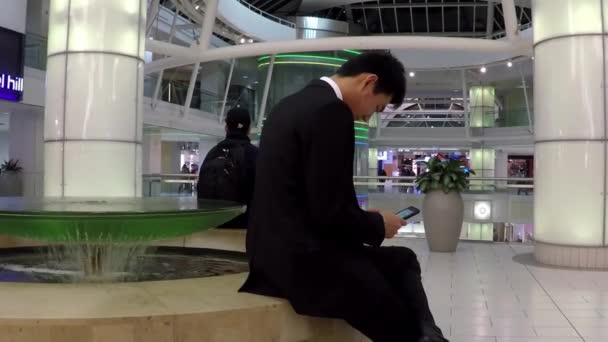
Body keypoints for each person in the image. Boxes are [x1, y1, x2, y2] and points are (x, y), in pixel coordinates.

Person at [240, 52, 447, 342]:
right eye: (376, 107)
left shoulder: (288, 105)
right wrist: (378, 226)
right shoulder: (331, 111)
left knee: (403, 259)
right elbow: (329, 214)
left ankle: (431, 335)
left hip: (272, 254)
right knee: (398, 321)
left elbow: (310, 195)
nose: (367, 116)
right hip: (304, 262)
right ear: (368, 81)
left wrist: (366, 217)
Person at [197, 108, 258, 229]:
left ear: (226, 127)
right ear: (249, 128)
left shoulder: (213, 153)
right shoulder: (255, 155)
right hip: (243, 226)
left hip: (213, 225)